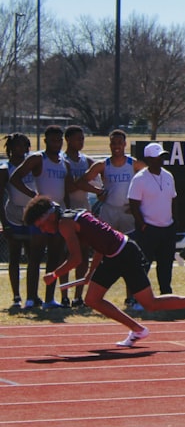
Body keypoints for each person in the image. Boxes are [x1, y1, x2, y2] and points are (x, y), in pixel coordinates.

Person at [22, 194, 185, 347]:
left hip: (125, 254)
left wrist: (54, 275)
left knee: (150, 304)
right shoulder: (74, 215)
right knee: (92, 299)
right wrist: (91, 273)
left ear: (47, 216)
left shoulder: (65, 224)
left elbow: (76, 258)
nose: (42, 230)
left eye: (41, 225)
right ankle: (138, 329)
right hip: (113, 254)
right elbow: (99, 243)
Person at [78, 130, 146, 307]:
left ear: (125, 144)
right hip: (109, 212)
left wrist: (137, 205)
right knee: (100, 253)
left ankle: (131, 296)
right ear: (110, 145)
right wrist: (98, 191)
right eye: (113, 143)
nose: (116, 146)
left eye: (119, 143)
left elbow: (150, 179)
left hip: (127, 214)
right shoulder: (103, 165)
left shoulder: (134, 164)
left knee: (130, 255)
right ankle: (91, 293)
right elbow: (82, 181)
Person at [9, 125, 71, 308]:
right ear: (45, 141)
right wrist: (34, 196)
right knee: (35, 257)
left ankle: (50, 299)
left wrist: (68, 212)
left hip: (58, 215)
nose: (57, 144)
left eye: (60, 140)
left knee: (54, 257)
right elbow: (15, 178)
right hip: (41, 215)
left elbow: (66, 191)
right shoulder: (38, 158)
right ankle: (30, 298)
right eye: (53, 140)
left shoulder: (64, 163)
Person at [128, 143, 178, 296]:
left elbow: (173, 199)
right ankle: (138, 297)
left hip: (167, 228)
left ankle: (166, 295)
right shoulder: (140, 179)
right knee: (143, 265)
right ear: (149, 159)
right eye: (157, 157)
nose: (161, 160)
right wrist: (142, 225)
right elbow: (133, 204)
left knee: (166, 264)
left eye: (162, 157)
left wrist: (173, 221)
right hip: (149, 229)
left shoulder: (168, 175)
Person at [1, 133, 42, 309]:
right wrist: (5, 223)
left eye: (24, 145)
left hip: (32, 214)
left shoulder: (33, 166)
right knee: (15, 256)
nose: (21, 149)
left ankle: (32, 295)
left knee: (34, 257)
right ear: (10, 148)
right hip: (14, 214)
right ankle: (16, 296)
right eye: (17, 145)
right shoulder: (5, 168)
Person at [63, 125, 97, 307]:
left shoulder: (87, 161)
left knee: (83, 255)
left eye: (83, 139)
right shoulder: (62, 160)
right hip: (67, 211)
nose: (81, 142)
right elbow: (68, 188)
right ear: (68, 139)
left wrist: (82, 184)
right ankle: (63, 295)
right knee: (67, 255)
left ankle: (78, 295)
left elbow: (96, 180)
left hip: (84, 211)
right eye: (78, 139)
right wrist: (84, 184)